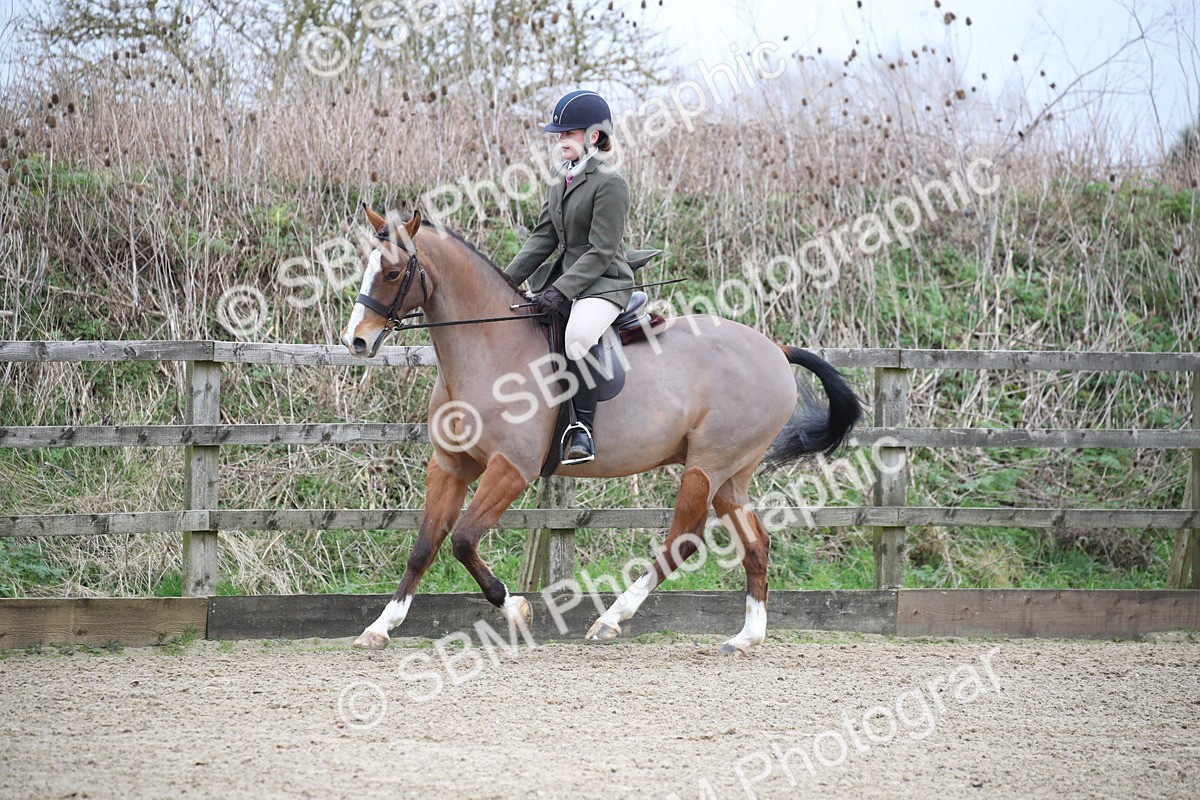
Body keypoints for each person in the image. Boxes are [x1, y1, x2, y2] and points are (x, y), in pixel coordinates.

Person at [505, 90, 635, 465]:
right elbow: (543, 236)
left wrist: (562, 289)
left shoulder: (610, 182)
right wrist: (504, 281)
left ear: (593, 136)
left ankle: (581, 431)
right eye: (559, 134)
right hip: (566, 278)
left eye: (568, 133)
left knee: (577, 336)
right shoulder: (560, 174)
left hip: (604, 281)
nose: (560, 139)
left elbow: (602, 250)